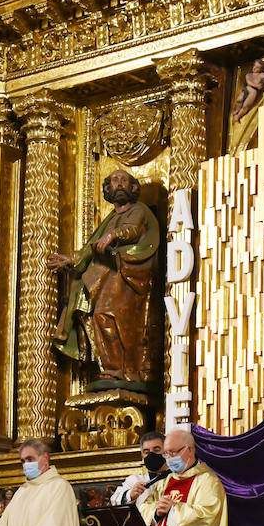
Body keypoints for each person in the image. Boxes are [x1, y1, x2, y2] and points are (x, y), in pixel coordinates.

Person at [49, 168, 161, 391]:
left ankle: (127, 369)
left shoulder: (139, 210)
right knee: (98, 315)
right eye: (114, 181)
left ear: (132, 188)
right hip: (110, 275)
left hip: (130, 276)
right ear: (108, 189)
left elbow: (133, 230)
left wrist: (114, 235)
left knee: (111, 316)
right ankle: (112, 367)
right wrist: (72, 259)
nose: (119, 184)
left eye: (124, 181)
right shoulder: (111, 218)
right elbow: (92, 247)